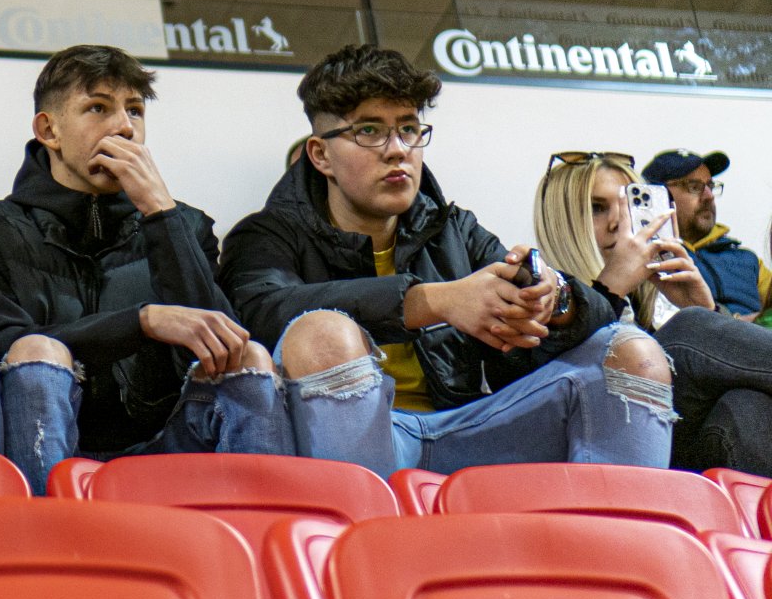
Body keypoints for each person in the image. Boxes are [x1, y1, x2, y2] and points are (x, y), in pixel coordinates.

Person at [218, 44, 675, 477]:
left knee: (631, 350)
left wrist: (553, 300)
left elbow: (530, 344)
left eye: (409, 129)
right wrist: (435, 302)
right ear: (321, 155)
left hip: (463, 427)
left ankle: (622, 549)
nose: (398, 149)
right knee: (323, 331)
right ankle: (361, 547)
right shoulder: (265, 235)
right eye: (370, 131)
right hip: (342, 440)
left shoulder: (454, 228)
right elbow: (261, 313)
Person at [0, 45, 292, 494]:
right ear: (49, 130)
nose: (124, 127)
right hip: (38, 444)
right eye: (98, 108)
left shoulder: (185, 226)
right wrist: (142, 322)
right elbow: (3, 348)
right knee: (37, 351)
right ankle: (45, 537)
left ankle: (258, 538)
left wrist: (160, 213)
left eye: (135, 111)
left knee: (251, 359)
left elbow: (218, 348)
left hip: (165, 443)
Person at [536, 151, 772, 476]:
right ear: (559, 220)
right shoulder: (538, 286)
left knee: (744, 406)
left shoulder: (655, 294)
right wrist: (612, 287)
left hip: (663, 455)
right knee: (690, 329)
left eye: (626, 206)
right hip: (581, 443)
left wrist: (703, 308)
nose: (619, 222)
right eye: (597, 208)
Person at [641, 149, 770, 318]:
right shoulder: (651, 256)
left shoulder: (747, 259)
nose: (709, 196)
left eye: (710, 186)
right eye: (694, 187)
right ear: (658, 195)